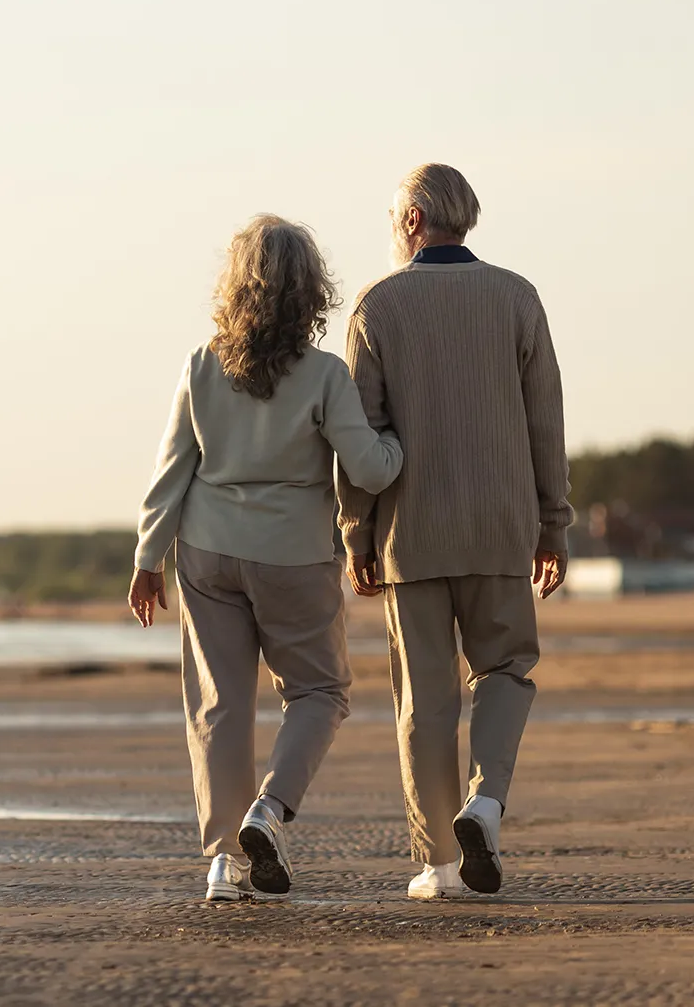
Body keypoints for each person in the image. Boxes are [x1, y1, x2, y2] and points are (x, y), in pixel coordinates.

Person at [129, 214, 403, 902]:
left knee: (220, 707)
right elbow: (369, 470)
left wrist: (146, 558)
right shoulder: (324, 376)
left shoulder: (201, 366)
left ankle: (223, 863)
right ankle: (270, 810)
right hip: (293, 555)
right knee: (320, 692)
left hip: (207, 551)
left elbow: (171, 472)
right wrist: (398, 442)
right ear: (311, 291)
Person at [337, 164, 572, 900]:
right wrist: (553, 523)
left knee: (426, 701)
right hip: (501, 524)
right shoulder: (517, 297)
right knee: (505, 669)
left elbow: (360, 436)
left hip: (413, 533)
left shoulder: (377, 306)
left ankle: (440, 864)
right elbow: (546, 422)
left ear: (411, 221)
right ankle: (487, 803)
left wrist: (357, 536)